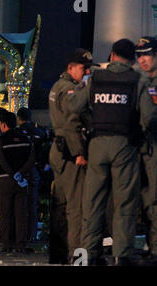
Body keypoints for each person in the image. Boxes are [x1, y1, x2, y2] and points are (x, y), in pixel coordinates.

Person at [67, 39, 146, 265]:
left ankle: (88, 255)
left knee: (92, 203)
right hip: (124, 145)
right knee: (124, 203)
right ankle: (122, 255)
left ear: (111, 56)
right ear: (132, 59)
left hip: (97, 145)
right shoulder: (136, 80)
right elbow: (149, 115)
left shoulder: (95, 79)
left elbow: (73, 105)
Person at [47, 48, 95, 264]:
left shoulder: (59, 87)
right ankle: (77, 255)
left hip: (59, 151)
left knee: (61, 205)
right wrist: (79, 153)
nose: (86, 73)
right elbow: (72, 124)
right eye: (83, 68)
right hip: (70, 151)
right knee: (76, 208)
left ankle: (58, 253)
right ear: (70, 67)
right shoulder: (70, 91)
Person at [0, 111, 34, 252]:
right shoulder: (25, 139)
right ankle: (20, 244)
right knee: (21, 214)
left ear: (4, 124)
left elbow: (2, 160)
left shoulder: (1, 140)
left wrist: (12, 173)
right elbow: (31, 159)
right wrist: (21, 173)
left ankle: (6, 244)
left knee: (5, 214)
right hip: (22, 180)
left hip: (5, 180)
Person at [135, 37, 157, 264]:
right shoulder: (141, 82)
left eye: (147, 54)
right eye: (139, 55)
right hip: (145, 148)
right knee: (148, 200)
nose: (142, 59)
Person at [17, 107, 46, 242]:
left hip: (19, 170)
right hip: (34, 170)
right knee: (32, 203)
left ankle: (19, 234)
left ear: (18, 118)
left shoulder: (16, 133)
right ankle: (32, 235)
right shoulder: (38, 133)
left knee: (18, 203)